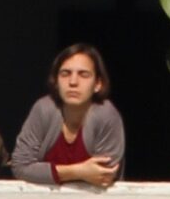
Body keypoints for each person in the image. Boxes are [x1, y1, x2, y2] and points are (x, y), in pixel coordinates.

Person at [10, 43, 126, 188]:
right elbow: (20, 167)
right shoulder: (44, 109)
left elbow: (104, 175)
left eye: (83, 75)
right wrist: (79, 172)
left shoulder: (106, 115)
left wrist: (47, 173)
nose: (73, 82)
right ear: (56, 81)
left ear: (98, 84)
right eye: (65, 74)